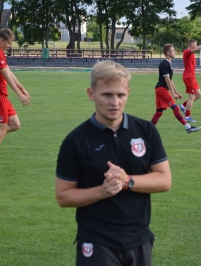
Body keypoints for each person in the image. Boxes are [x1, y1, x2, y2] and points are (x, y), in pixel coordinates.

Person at [55, 60, 172, 266]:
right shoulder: (76, 141)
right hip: (96, 239)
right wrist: (102, 191)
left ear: (128, 92)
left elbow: (164, 180)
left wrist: (128, 181)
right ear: (92, 94)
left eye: (120, 95)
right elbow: (63, 196)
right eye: (107, 95)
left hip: (139, 238)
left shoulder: (146, 131)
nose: (115, 102)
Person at [151, 44, 201, 133]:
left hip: (160, 89)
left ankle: (148, 130)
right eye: (173, 50)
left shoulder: (169, 63)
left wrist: (176, 92)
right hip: (161, 89)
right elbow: (167, 80)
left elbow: (170, 80)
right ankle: (188, 127)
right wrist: (173, 93)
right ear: (168, 53)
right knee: (175, 108)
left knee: (159, 111)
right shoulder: (164, 63)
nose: (175, 52)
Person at [0, 28, 30, 147]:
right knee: (1, 132)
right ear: (1, 40)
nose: (9, 46)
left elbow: (9, 72)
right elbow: (6, 76)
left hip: (3, 95)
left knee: (15, 124)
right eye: (8, 43)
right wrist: (19, 94)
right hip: (0, 94)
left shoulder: (1, 53)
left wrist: (22, 88)